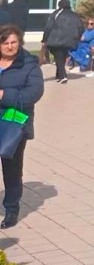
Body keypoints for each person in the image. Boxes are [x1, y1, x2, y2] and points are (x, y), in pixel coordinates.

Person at [0, 25, 45, 229]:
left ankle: (11, 209)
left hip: (14, 123)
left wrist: (3, 95)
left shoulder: (29, 64)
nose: (9, 47)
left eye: (13, 42)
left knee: (11, 168)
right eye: (5, 43)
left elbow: (34, 93)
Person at [41, 0, 84, 84]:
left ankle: (63, 76)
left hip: (56, 39)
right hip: (70, 40)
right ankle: (59, 75)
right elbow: (81, 27)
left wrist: (45, 39)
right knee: (62, 57)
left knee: (59, 57)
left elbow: (48, 27)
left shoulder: (56, 14)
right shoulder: (75, 15)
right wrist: (78, 38)